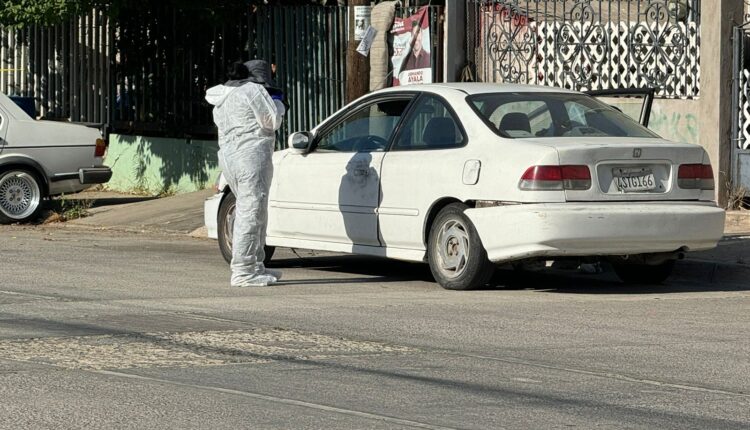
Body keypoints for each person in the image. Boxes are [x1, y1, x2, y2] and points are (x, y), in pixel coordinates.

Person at [205, 60, 286, 287]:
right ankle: (243, 271)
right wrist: (278, 105)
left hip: (230, 158)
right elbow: (272, 121)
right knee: (251, 212)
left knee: (250, 210)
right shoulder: (253, 90)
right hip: (251, 157)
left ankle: (255, 265)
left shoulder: (224, 96)